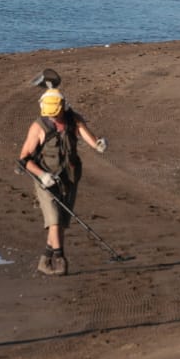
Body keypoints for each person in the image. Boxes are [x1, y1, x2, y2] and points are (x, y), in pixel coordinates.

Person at [18, 76, 106, 276]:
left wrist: (99, 145)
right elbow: (23, 159)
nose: (52, 118)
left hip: (70, 177)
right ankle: (59, 259)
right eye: (49, 115)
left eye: (55, 115)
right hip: (45, 181)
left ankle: (45, 260)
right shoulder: (38, 127)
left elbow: (90, 139)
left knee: (61, 222)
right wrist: (43, 175)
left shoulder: (73, 120)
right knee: (54, 220)